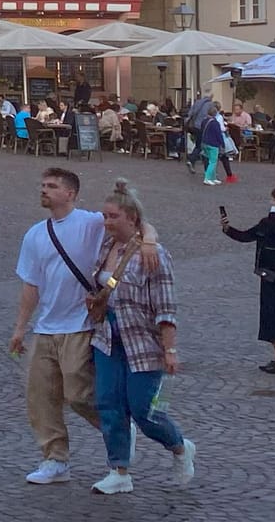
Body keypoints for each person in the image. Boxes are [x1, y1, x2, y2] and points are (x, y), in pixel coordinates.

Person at [12, 167, 157, 486]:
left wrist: (148, 241)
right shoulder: (35, 234)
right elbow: (31, 284)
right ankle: (55, 459)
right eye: (43, 185)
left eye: (52, 186)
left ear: (71, 194)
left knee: (78, 393)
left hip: (80, 323)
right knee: (41, 397)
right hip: (45, 327)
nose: (44, 190)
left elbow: (135, 222)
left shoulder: (91, 222)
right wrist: (21, 327)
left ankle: (119, 427)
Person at [87, 179, 194, 495]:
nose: (107, 222)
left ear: (131, 218)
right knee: (108, 405)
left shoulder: (153, 254)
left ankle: (179, 446)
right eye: (104, 216)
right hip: (107, 337)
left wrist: (170, 348)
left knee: (143, 411)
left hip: (142, 343)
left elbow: (165, 304)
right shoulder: (106, 247)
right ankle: (119, 470)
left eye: (113, 217)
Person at [223, 186, 275, 374]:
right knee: (269, 315)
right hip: (267, 273)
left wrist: (272, 217)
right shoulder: (268, 221)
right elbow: (248, 235)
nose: (273, 203)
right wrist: (228, 229)